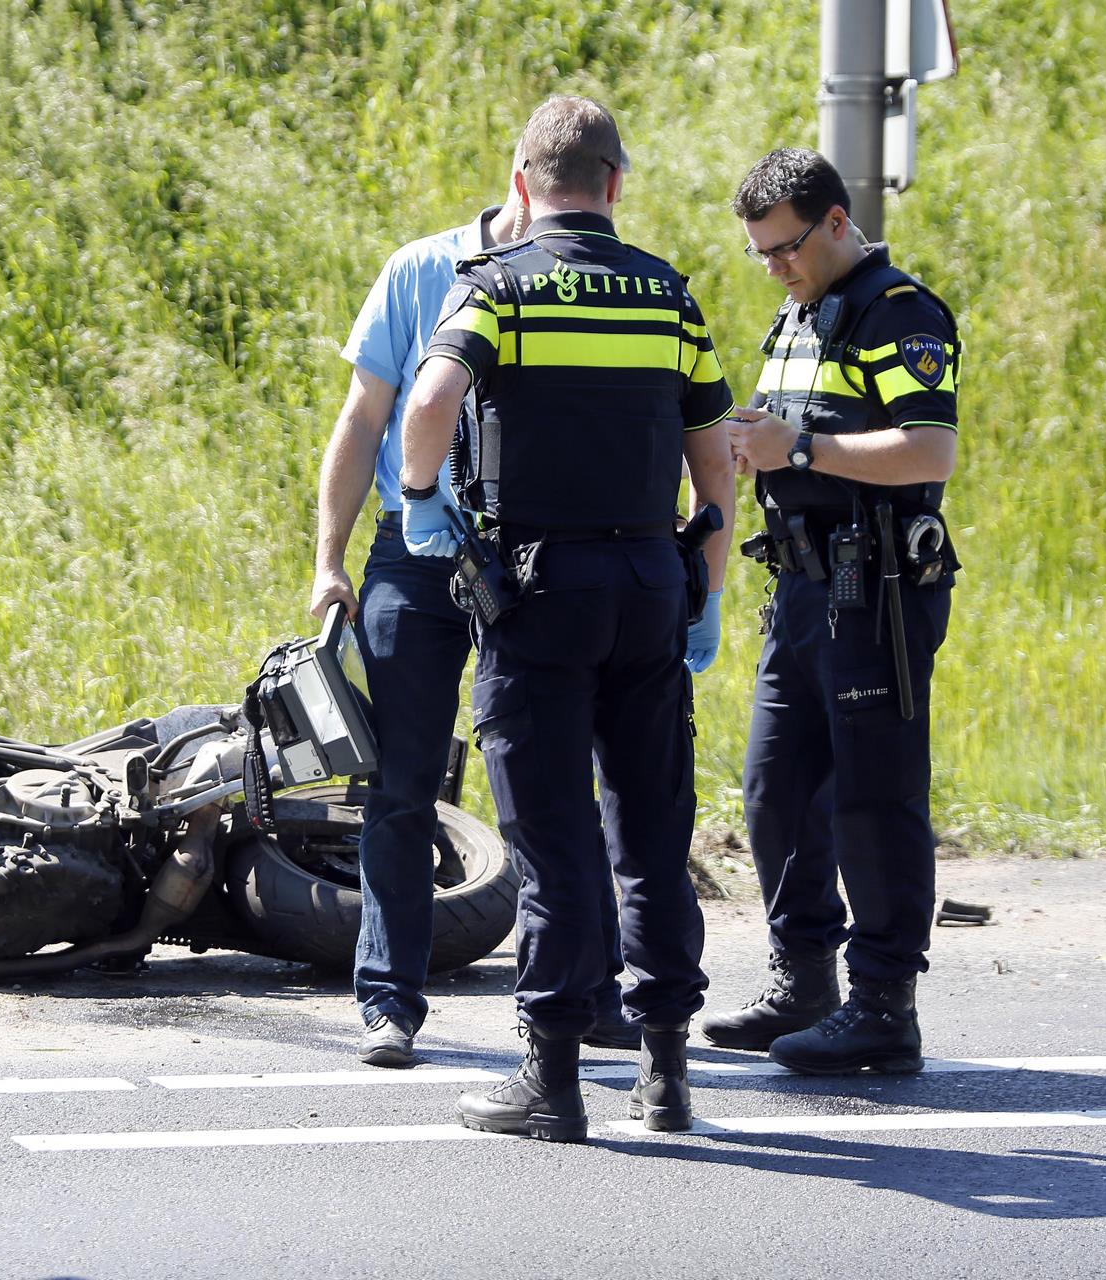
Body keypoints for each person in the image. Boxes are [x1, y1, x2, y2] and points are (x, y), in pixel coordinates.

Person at [397, 96, 737, 1141]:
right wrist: (706, 592)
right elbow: (714, 455)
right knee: (653, 830)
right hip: (647, 582)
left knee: (551, 840)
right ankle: (666, 1073)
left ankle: (550, 1080)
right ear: (616, 185)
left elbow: (430, 397)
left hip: (540, 594)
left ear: (521, 184)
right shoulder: (665, 295)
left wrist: (420, 498)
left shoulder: (496, 288)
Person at [312, 143, 644, 1069]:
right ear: (520, 184)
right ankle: (389, 1002)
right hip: (414, 552)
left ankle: (590, 989)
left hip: (534, 552)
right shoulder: (419, 270)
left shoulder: (581, 280)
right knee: (402, 779)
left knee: (552, 778)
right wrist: (328, 560)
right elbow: (363, 416)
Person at [707, 147, 962, 1075]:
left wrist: (800, 450)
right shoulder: (798, 313)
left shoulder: (900, 313)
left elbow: (928, 451)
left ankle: (884, 1005)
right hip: (803, 588)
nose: (775, 266)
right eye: (760, 254)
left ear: (838, 223)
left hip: (876, 592)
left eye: (785, 248)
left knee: (873, 799)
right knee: (776, 790)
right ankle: (803, 980)